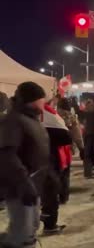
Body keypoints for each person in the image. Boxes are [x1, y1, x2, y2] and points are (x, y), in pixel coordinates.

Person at [0, 82, 50, 248]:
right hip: (20, 187)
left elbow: (38, 152)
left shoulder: (31, 119)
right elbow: (7, 155)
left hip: (33, 184)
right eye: (41, 99)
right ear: (31, 100)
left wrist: (50, 177)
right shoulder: (14, 120)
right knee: (23, 233)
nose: (44, 103)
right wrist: (23, 183)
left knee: (30, 229)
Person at [40, 104, 72, 235]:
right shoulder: (47, 115)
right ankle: (49, 225)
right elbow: (66, 138)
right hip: (48, 162)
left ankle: (47, 223)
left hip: (42, 163)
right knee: (50, 193)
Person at [57, 98, 85, 204]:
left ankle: (53, 193)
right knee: (65, 171)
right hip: (67, 147)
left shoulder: (53, 115)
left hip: (53, 147)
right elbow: (77, 134)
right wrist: (81, 147)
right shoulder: (71, 117)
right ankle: (63, 195)